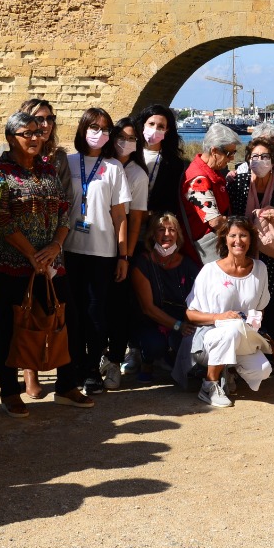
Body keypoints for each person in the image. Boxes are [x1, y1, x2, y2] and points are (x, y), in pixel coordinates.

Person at [0, 111, 87, 414]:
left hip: (52, 262)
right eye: (26, 133)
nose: (34, 138)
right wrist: (32, 254)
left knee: (67, 320)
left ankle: (66, 385)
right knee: (10, 326)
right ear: (10, 138)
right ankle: (9, 391)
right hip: (12, 264)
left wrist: (55, 246)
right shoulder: (0, 172)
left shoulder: (47, 169)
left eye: (37, 133)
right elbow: (1, 219)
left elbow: (64, 211)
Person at [62, 107, 131, 393]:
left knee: (95, 312)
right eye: (94, 127)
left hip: (102, 251)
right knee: (73, 312)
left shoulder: (113, 167)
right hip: (69, 249)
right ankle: (75, 366)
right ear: (83, 129)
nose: (99, 133)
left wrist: (123, 255)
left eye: (105, 129)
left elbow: (120, 216)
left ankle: (92, 368)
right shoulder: (68, 162)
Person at [183, 215, 273, 408]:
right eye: (233, 235)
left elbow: (260, 308)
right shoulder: (210, 270)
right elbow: (190, 314)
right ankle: (209, 385)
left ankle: (229, 371)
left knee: (263, 370)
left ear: (251, 239)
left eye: (243, 235)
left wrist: (253, 322)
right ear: (225, 239)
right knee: (231, 329)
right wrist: (219, 317)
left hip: (244, 336)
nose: (238, 241)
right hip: (209, 337)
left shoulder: (260, 269)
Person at [226, 135, 274, 352]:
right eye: (255, 156)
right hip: (245, 252)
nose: (259, 160)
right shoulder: (238, 184)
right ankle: (251, 343)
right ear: (248, 159)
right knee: (246, 297)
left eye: (265, 156)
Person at [15, 97, 70, 399]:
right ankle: (29, 371)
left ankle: (61, 372)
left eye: (49, 119)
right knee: (27, 310)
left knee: (54, 307)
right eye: (39, 118)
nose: (45, 124)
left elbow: (67, 204)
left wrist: (54, 246)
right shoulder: (9, 156)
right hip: (20, 248)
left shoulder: (59, 158)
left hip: (52, 247)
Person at [130, 213, 201, 378]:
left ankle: (170, 358)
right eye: (161, 230)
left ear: (178, 235)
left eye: (172, 230)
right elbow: (148, 308)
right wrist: (178, 326)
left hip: (183, 322)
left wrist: (186, 326)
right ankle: (147, 359)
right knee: (154, 345)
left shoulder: (187, 264)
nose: (167, 234)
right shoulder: (143, 263)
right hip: (152, 323)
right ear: (152, 235)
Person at [112, 116, 152, 379]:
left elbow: (136, 218)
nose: (125, 143)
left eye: (131, 139)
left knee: (121, 303)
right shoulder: (103, 164)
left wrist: (125, 254)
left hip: (125, 245)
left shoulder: (137, 173)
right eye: (121, 137)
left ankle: (118, 356)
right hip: (96, 241)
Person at [184, 123, 239, 264]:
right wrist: (240, 225)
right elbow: (215, 221)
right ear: (214, 151)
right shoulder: (199, 179)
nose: (232, 158)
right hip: (206, 248)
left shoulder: (211, 171)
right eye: (229, 153)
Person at [138, 103, 191, 236]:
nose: (155, 129)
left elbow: (172, 200)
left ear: (167, 130)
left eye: (160, 126)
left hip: (154, 228)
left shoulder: (174, 164)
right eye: (151, 124)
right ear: (143, 124)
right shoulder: (131, 154)